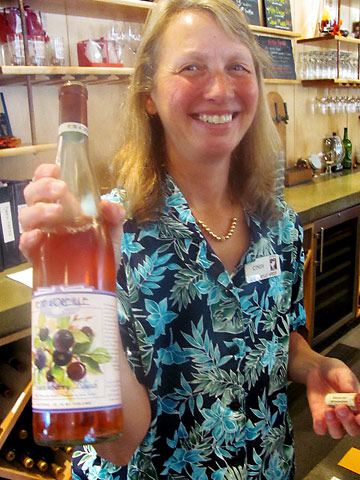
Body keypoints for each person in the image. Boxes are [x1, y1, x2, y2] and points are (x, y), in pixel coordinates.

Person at [19, 0, 360, 478]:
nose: (220, 89)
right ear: (148, 95)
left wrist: (314, 365)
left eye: (237, 66)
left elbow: (277, 339)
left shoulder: (278, 222)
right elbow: (116, 447)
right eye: (191, 67)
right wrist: (78, 292)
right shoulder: (108, 232)